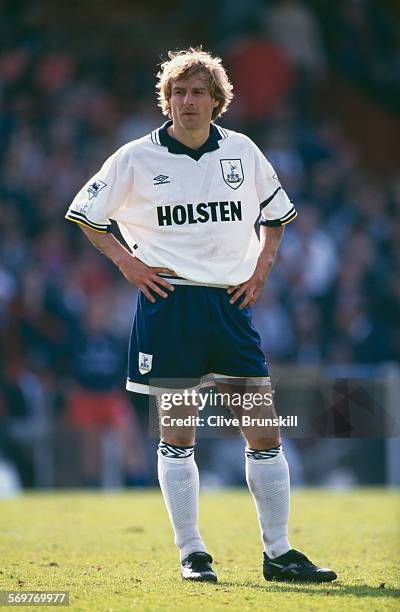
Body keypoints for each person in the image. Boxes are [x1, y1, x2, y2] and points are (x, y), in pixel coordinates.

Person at [65, 47, 337, 584]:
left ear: (217, 100)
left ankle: (279, 553)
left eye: (197, 92)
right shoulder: (135, 158)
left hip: (229, 305)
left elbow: (276, 215)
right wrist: (128, 264)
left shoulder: (242, 152)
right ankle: (193, 553)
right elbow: (86, 214)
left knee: (263, 431)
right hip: (170, 305)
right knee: (179, 434)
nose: (186, 101)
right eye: (177, 93)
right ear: (166, 100)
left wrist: (261, 269)